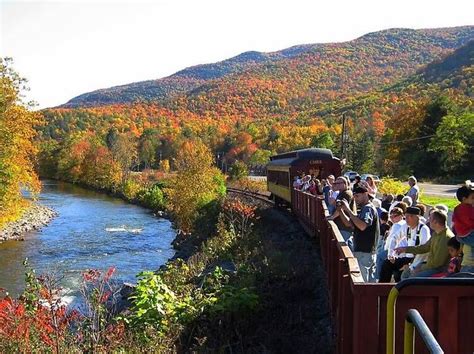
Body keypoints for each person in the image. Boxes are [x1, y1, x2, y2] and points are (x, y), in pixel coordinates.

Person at [338, 185, 379, 282]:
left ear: (365, 194)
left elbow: (362, 226)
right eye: (354, 196)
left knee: (363, 283)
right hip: (364, 251)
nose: (355, 199)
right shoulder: (363, 209)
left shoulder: (368, 208)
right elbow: (350, 224)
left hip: (365, 251)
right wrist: (341, 211)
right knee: (366, 282)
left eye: (357, 196)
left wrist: (348, 210)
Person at [395, 210, 452, 278]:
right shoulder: (436, 234)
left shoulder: (445, 238)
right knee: (406, 273)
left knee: (411, 278)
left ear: (435, 221)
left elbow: (438, 263)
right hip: (430, 265)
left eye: (430, 218)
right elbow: (425, 247)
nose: (428, 220)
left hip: (438, 269)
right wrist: (405, 249)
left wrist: (421, 268)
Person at [379, 206, 430, 282]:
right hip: (407, 258)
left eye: (410, 217)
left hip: (418, 261)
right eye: (406, 217)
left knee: (400, 275)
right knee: (387, 264)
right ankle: (382, 288)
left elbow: (424, 250)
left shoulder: (423, 230)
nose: (407, 219)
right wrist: (391, 254)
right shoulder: (406, 227)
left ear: (417, 217)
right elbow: (394, 238)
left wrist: (411, 266)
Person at [452, 181, 474, 247]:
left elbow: (453, 220)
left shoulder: (457, 208)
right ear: (464, 199)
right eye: (473, 198)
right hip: (469, 235)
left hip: (460, 234)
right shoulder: (468, 209)